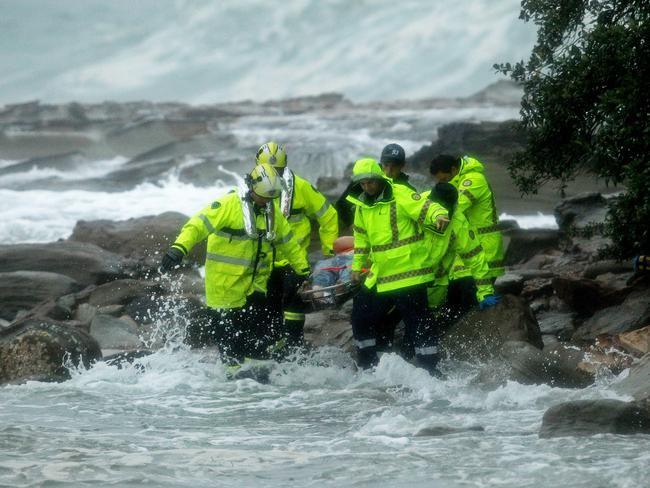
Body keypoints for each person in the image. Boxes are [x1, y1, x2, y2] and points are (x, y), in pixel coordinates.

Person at [160, 163, 310, 362]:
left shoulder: (271, 213)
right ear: (252, 187)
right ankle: (235, 388)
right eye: (264, 196)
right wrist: (179, 249)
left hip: (254, 289)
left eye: (271, 197)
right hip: (224, 292)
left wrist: (302, 271)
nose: (267, 201)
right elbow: (197, 225)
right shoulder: (228, 205)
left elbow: (288, 243)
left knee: (258, 345)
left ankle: (258, 384)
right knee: (230, 349)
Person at [346, 157, 449, 374]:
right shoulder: (362, 205)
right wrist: (357, 267)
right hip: (382, 275)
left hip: (408, 271)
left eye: (370, 182)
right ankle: (370, 365)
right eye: (362, 184)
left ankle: (429, 369)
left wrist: (439, 214)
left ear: (379, 177)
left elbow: (425, 206)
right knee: (361, 315)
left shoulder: (400, 193)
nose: (367, 187)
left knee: (418, 321)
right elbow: (361, 240)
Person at [255, 141, 339, 347]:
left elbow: (328, 215)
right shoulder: (253, 190)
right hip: (264, 262)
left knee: (293, 308)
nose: (273, 174)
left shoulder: (301, 187)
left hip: (295, 260)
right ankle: (275, 347)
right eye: (268, 169)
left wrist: (329, 251)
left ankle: (294, 348)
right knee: (268, 309)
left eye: (277, 170)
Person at [423, 183, 499, 327]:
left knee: (426, 327)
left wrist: (485, 292)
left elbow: (475, 258)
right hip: (404, 279)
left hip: (434, 285)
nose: (444, 214)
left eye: (448, 209)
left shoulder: (458, 223)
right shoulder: (414, 207)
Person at [429, 154, 505, 281]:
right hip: (471, 243)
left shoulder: (473, 180)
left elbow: (456, 206)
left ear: (453, 169)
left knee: (476, 292)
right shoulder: (458, 179)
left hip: (484, 245)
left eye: (444, 179)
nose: (444, 183)